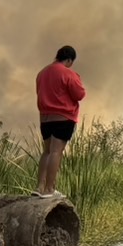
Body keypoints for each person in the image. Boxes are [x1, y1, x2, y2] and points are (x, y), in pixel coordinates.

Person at [34, 45, 85, 198]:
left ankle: (39, 187)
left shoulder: (41, 73)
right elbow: (79, 94)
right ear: (69, 59)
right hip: (63, 117)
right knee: (56, 151)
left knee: (47, 152)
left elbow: (40, 92)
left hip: (45, 118)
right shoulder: (69, 73)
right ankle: (50, 189)